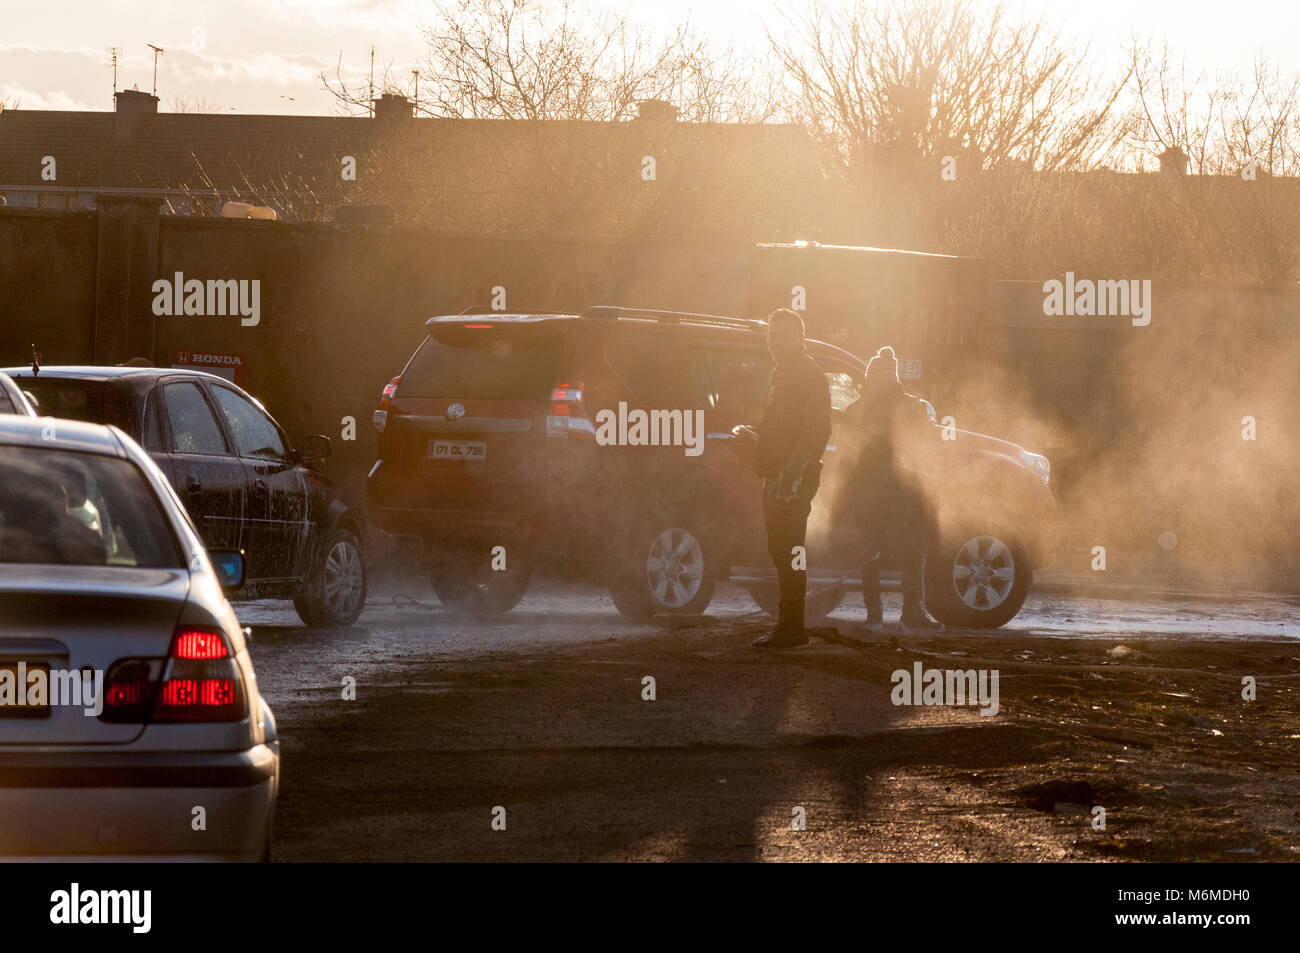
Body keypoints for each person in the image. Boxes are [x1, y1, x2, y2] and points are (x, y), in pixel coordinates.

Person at [843, 346, 944, 634]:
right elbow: (926, 451)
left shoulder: (855, 410)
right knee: (912, 555)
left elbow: (847, 458)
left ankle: (873, 617)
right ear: (896, 378)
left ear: (869, 378)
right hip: (904, 495)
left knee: (870, 555)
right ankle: (911, 615)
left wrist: (850, 494)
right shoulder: (914, 408)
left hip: (867, 496)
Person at [752, 309, 832, 649]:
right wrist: (755, 439)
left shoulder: (809, 375)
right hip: (777, 473)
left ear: (801, 338)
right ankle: (789, 625)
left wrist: (794, 472)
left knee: (791, 550)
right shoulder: (782, 373)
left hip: (793, 478)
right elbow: (780, 426)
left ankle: (792, 629)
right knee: (782, 550)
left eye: (785, 335)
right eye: (773, 335)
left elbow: (817, 430)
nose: (777, 342)